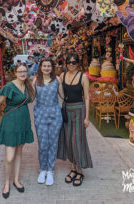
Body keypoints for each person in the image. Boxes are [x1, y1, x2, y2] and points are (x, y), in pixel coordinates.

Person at [0, 63, 35, 199]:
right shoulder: (9, 86)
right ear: (15, 73)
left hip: (23, 122)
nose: (23, 73)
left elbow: (31, 99)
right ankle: (6, 183)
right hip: (10, 123)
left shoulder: (27, 85)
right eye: (20, 71)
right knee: (9, 156)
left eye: (25, 71)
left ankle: (16, 180)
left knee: (18, 153)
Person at [57, 53, 93, 186]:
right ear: (66, 63)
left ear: (78, 63)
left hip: (79, 109)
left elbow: (87, 98)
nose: (71, 64)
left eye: (74, 62)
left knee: (77, 139)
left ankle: (80, 170)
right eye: (69, 62)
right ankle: (72, 168)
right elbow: (61, 94)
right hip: (66, 109)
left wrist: (87, 117)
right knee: (68, 139)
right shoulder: (62, 76)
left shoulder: (83, 77)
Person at [32, 59, 63, 185]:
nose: (46, 68)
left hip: (55, 114)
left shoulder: (57, 80)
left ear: (52, 67)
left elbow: (63, 96)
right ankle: (42, 169)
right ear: (40, 67)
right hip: (40, 115)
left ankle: (50, 170)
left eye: (48, 66)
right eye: (44, 66)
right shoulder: (36, 80)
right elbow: (31, 97)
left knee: (53, 143)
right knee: (43, 144)